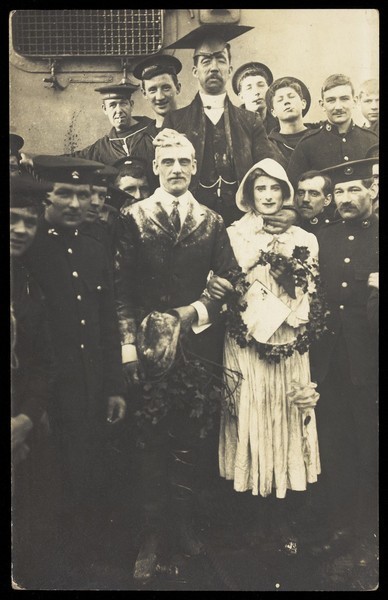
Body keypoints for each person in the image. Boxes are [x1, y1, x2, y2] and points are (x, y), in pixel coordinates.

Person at [114, 133, 238, 584]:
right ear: (155, 168)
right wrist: (129, 350)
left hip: (197, 350)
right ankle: (151, 534)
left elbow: (229, 281)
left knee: (190, 438)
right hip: (146, 351)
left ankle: (182, 525)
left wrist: (196, 312)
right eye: (168, 162)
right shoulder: (133, 217)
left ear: (195, 167)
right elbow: (120, 291)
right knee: (149, 439)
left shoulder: (211, 220)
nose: (177, 169)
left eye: (185, 161)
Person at [207, 158, 322, 555]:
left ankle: (283, 517)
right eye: (261, 189)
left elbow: (311, 288)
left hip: (288, 339)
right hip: (247, 340)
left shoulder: (304, 237)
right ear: (249, 194)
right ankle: (251, 517)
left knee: (286, 416)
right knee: (251, 417)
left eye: (276, 188)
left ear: (286, 193)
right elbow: (223, 280)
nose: (269, 196)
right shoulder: (233, 234)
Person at [23, 156, 127, 573]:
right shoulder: (30, 247)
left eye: (83, 194)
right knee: (46, 481)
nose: (74, 203)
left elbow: (105, 324)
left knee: (85, 474)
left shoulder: (94, 246)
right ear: (47, 197)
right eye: (64, 193)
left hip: (90, 385)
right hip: (45, 390)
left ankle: (83, 562)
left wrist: (115, 385)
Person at [309, 158, 378, 567]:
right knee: (336, 446)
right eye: (339, 193)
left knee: (371, 447)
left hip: (368, 356)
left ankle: (369, 536)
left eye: (355, 190)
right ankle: (341, 529)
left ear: (372, 190)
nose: (346, 199)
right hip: (331, 359)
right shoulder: (324, 236)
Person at [159, 24, 285, 226]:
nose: (214, 67)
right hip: (190, 220)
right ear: (195, 71)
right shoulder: (175, 120)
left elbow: (271, 166)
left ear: (229, 69)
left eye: (221, 60)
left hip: (241, 221)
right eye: (206, 61)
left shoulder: (250, 120)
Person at [11, 174, 55, 587]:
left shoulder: (28, 279)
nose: (21, 230)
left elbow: (41, 359)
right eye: (12, 219)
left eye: (30, 221)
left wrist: (25, 418)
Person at [287, 74, 379, 187]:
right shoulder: (307, 145)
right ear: (322, 105)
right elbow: (294, 189)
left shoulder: (372, 140)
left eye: (344, 99)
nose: (338, 107)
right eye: (331, 100)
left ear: (354, 101)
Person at [130, 54, 183, 193]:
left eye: (166, 88)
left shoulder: (196, 128)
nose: (159, 97)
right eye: (152, 90)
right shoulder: (141, 142)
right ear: (144, 93)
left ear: (177, 87)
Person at [266, 77, 316, 165]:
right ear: (273, 112)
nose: (286, 102)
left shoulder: (319, 136)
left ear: (303, 103)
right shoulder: (268, 145)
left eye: (291, 97)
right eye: (280, 100)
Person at [231, 61, 278, 134]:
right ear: (241, 97)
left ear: (269, 91)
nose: (256, 92)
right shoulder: (232, 125)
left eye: (261, 85)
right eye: (249, 88)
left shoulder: (281, 123)